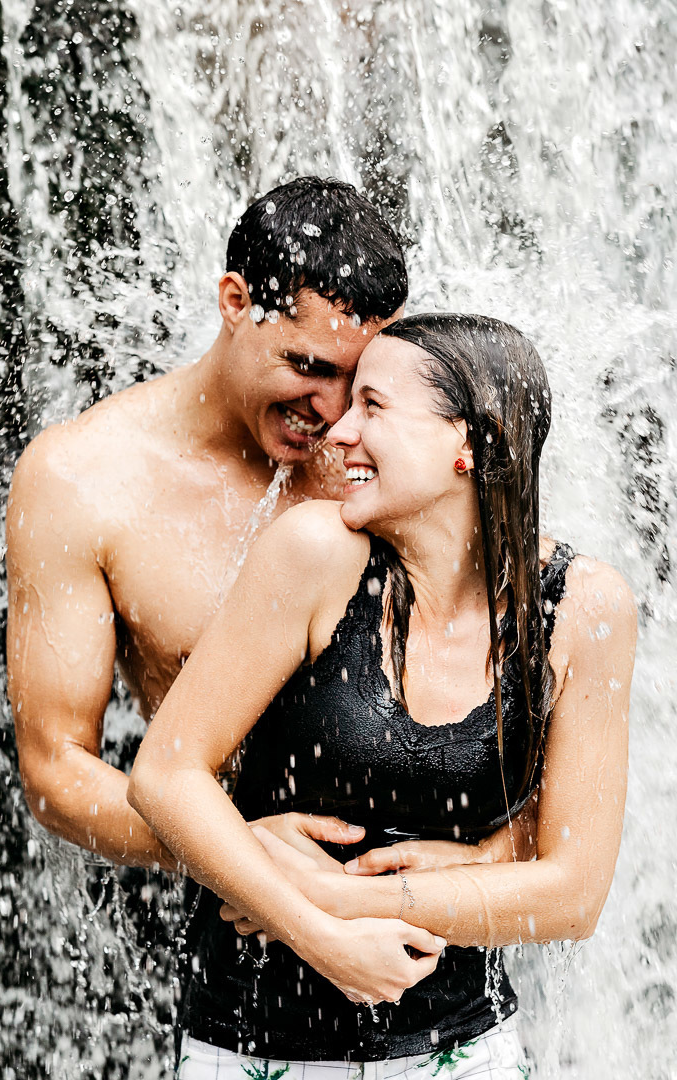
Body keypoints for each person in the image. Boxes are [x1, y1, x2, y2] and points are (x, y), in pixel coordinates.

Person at [128, 313, 637, 1078]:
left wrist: (335, 899)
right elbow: (164, 775)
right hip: (256, 1045)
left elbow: (575, 892)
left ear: (471, 440)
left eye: (374, 407)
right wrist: (316, 935)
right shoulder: (313, 555)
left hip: (463, 1049)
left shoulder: (585, 606)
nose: (337, 433)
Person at [7, 178, 524, 874]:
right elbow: (56, 773)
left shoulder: (397, 452)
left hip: (436, 913)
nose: (338, 412)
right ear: (234, 303)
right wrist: (246, 855)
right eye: (308, 367)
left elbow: (537, 684)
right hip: (229, 914)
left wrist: (491, 860)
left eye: (362, 377)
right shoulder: (83, 479)